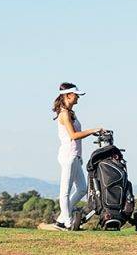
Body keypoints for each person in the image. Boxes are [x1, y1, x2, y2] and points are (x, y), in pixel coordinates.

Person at [50, 82, 103, 230]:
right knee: (65, 191)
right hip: (68, 156)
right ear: (68, 95)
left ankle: (61, 218)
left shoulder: (70, 112)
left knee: (81, 189)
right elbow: (73, 135)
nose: (78, 98)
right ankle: (66, 222)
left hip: (75, 156)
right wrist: (92, 130)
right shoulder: (64, 114)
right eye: (76, 95)